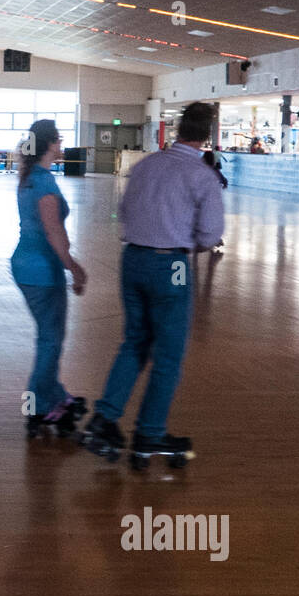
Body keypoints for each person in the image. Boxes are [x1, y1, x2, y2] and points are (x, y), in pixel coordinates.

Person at [84, 101, 224, 468]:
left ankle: (104, 419)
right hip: (171, 264)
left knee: (134, 342)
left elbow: (125, 211)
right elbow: (211, 235)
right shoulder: (203, 177)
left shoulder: (146, 165)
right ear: (206, 135)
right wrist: (183, 242)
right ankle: (148, 432)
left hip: (133, 259)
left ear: (178, 129)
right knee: (168, 355)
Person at [11, 120, 88, 438]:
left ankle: (55, 397)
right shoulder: (44, 184)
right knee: (50, 341)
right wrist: (73, 266)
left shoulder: (30, 178)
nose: (61, 145)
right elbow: (54, 232)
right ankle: (37, 408)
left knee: (48, 338)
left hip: (26, 265)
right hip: (43, 271)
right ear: (49, 145)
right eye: (58, 140)